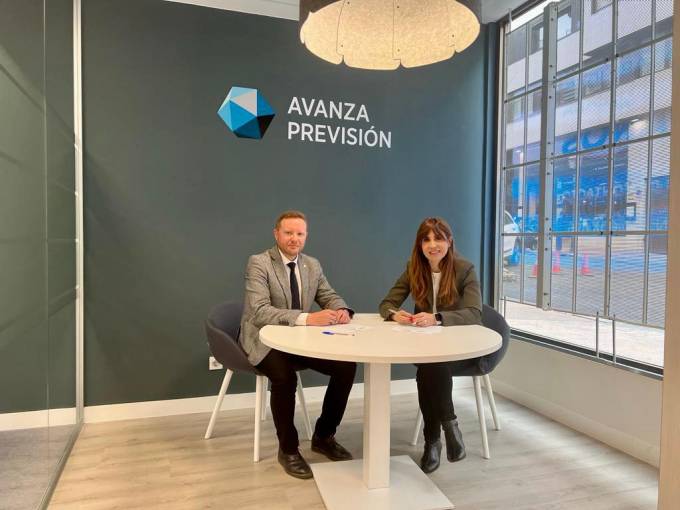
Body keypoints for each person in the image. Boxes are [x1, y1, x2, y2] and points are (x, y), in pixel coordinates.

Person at [239, 210, 357, 480]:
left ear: (306, 236)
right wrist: (308, 318)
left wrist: (342, 309)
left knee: (346, 366)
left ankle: (324, 436)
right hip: (263, 338)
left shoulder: (312, 265)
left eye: (300, 233)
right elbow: (259, 311)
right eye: (288, 233)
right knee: (284, 378)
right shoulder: (259, 263)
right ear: (276, 234)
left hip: (298, 340)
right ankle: (288, 449)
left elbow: (328, 295)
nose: (294, 239)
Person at [379, 217, 482, 474]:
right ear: (420, 244)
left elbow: (474, 313)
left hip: (459, 347)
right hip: (426, 347)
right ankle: (449, 427)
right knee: (430, 366)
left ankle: (433, 442)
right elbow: (386, 304)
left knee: (429, 369)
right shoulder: (414, 267)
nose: (433, 245)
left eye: (438, 238)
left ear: (449, 241)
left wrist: (436, 318)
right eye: (426, 240)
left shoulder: (465, 269)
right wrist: (395, 315)